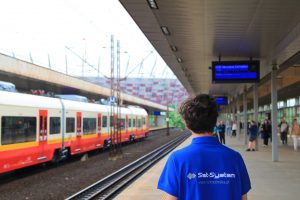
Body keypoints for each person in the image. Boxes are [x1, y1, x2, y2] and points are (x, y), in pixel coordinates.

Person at [157, 94, 251, 200]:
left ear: (187, 124)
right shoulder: (235, 158)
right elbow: (244, 197)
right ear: (214, 121)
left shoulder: (177, 159)